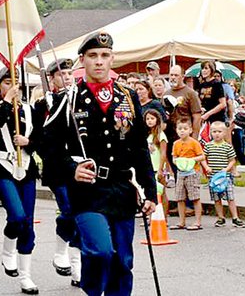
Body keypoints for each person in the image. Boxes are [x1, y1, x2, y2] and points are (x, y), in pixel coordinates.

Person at [44, 31, 156, 296]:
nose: (99, 61)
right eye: (93, 56)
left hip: (121, 189)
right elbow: (49, 151)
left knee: (122, 262)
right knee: (100, 251)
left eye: (105, 56)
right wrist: (72, 169)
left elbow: (140, 147)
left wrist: (151, 192)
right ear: (82, 60)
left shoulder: (128, 98)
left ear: (112, 59)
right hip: (87, 192)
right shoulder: (68, 100)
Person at [0, 68, 43, 295]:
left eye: (15, 82)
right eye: (6, 82)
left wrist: (28, 141)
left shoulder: (30, 111)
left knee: (28, 223)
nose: (12, 86)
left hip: (27, 168)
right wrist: (6, 101)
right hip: (2, 167)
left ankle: (26, 276)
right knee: (17, 216)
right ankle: (7, 249)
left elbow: (41, 139)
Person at [39, 57, 81, 286]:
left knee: (78, 214)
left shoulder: (78, 100)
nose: (67, 78)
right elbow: (40, 137)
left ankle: (76, 269)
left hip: (77, 165)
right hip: (57, 167)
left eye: (69, 74)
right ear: (52, 79)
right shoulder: (44, 104)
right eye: (61, 75)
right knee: (68, 209)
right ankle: (60, 251)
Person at [202, 121, 245, 228]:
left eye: (219, 132)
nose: (217, 134)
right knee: (217, 198)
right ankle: (220, 218)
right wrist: (206, 167)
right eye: (214, 131)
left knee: (230, 197)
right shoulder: (208, 146)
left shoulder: (227, 146)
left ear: (225, 133)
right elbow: (203, 158)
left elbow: (232, 160)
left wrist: (227, 169)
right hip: (213, 177)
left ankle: (235, 217)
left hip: (225, 177)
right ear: (210, 133)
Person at [170, 120, 204, 230]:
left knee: (195, 197)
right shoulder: (176, 144)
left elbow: (201, 156)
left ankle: (198, 221)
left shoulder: (194, 143)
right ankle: (181, 221)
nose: (182, 131)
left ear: (190, 130)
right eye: (180, 129)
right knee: (180, 197)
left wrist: (190, 160)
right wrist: (178, 161)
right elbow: (174, 158)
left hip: (192, 172)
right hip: (180, 173)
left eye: (185, 129)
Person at [144, 109, 169, 218]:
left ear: (157, 120)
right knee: (150, 194)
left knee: (162, 193)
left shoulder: (161, 135)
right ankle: (151, 218)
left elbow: (163, 153)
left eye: (152, 118)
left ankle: (165, 217)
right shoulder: (147, 135)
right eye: (147, 119)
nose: (149, 121)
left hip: (158, 168)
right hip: (149, 168)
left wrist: (160, 169)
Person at [194, 60, 227, 127]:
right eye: (202, 68)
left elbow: (223, 104)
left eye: (206, 68)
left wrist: (208, 114)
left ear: (211, 70)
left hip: (217, 119)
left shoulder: (216, 84)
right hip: (204, 120)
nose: (203, 70)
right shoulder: (201, 85)